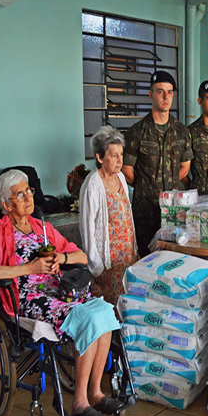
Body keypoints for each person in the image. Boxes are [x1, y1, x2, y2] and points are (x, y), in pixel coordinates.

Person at [0, 170, 122, 416]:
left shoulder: (42, 228)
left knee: (104, 311)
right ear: (6, 204)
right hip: (26, 297)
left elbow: (81, 256)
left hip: (57, 290)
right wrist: (29, 268)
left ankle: (96, 392)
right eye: (19, 194)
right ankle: (79, 403)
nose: (27, 197)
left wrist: (62, 258)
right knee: (85, 316)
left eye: (29, 191)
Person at [122, 71, 192, 255]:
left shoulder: (181, 131)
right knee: (146, 262)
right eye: (160, 92)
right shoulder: (137, 132)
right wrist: (147, 187)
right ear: (151, 95)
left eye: (169, 92)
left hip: (173, 213)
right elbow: (127, 170)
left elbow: (185, 167)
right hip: (145, 213)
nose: (165, 96)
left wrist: (167, 184)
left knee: (174, 261)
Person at [79, 126, 138, 307]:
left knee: (129, 305)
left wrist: (134, 250)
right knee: (112, 309)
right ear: (99, 157)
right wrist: (96, 267)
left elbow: (127, 214)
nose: (120, 160)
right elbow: (87, 229)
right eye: (114, 155)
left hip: (126, 258)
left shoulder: (120, 177)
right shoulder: (93, 185)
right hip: (107, 265)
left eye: (121, 154)